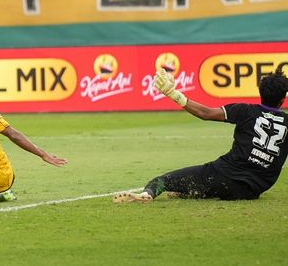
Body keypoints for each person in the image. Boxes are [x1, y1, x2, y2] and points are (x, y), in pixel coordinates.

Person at [114, 68, 287, 203]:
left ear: (260, 92)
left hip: (223, 176)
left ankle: (148, 193)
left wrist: (172, 94)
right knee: (187, 191)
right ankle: (190, 192)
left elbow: (206, 113)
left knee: (163, 181)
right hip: (252, 190)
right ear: (282, 99)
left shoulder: (246, 111)